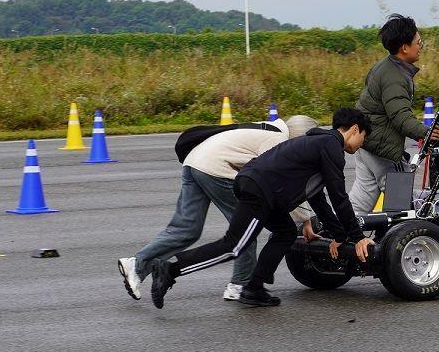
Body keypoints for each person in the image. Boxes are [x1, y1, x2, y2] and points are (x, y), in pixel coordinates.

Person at [148, 107, 373, 309]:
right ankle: (170, 270)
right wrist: (357, 237)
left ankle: (254, 288)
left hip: (261, 188)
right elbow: (339, 197)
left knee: (285, 233)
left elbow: (318, 198)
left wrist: (340, 236)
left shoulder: (319, 143)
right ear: (354, 129)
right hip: (260, 190)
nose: (363, 143)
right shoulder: (331, 146)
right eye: (363, 137)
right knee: (233, 246)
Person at [117, 115, 319, 302]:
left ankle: (136, 264)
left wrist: (305, 219)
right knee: (244, 233)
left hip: (194, 163)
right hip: (218, 169)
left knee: (186, 229)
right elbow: (274, 183)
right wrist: (303, 218)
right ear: (301, 139)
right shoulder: (278, 141)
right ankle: (240, 286)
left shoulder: (267, 128)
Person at [349, 14, 439, 213]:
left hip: (366, 145)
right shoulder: (395, 77)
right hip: (384, 150)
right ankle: (398, 243)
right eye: (418, 42)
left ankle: (340, 236)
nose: (421, 46)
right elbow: (400, 118)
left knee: (359, 204)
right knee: (401, 207)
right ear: (404, 48)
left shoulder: (383, 66)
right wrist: (426, 132)